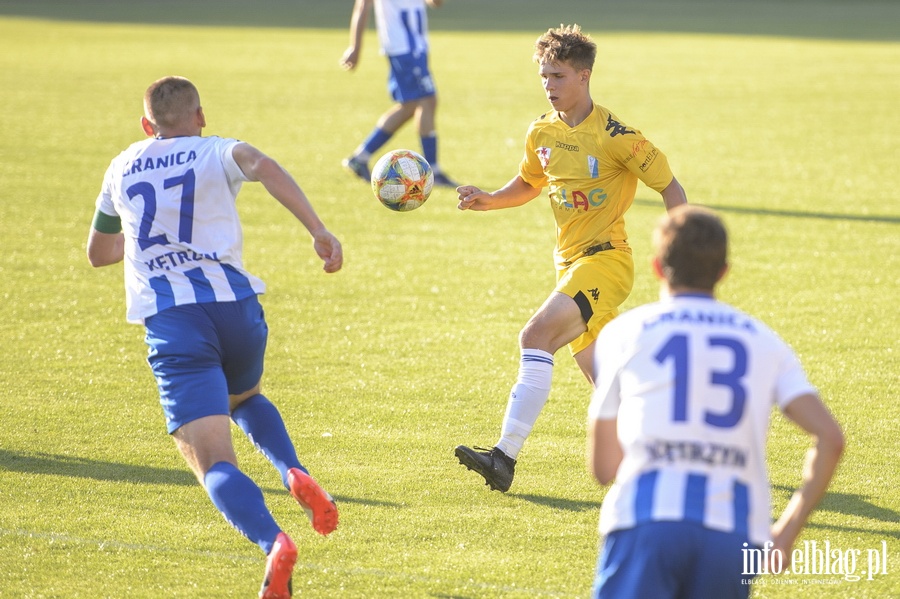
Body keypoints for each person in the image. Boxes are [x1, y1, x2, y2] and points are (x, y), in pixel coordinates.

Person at [86, 76, 343, 599]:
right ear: (200, 116)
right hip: (237, 310)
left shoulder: (121, 165)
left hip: (175, 322)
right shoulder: (217, 150)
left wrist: (139, 248)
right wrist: (318, 230)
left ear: (146, 125)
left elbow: (99, 252)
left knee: (211, 460)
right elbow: (263, 166)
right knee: (244, 395)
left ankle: (274, 542)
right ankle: (293, 469)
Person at [454, 24, 687, 492]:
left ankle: (504, 457)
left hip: (606, 262)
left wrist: (683, 251)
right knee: (609, 385)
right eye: (544, 76)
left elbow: (670, 186)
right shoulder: (541, 130)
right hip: (569, 264)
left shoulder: (618, 136)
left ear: (584, 76)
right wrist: (490, 199)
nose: (549, 85)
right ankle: (673, 449)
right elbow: (529, 183)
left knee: (535, 336)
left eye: (558, 76)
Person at [587, 205, 845, 598]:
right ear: (723, 271)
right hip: (732, 537)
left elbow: (604, 468)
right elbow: (830, 437)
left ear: (657, 267)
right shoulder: (764, 341)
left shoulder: (625, 332)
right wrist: (788, 531)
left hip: (646, 524)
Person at [339, 0, 457, 187]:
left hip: (417, 45)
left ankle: (360, 158)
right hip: (402, 47)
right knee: (428, 100)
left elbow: (435, 3)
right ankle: (433, 170)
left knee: (411, 106)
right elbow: (362, 5)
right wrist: (355, 47)